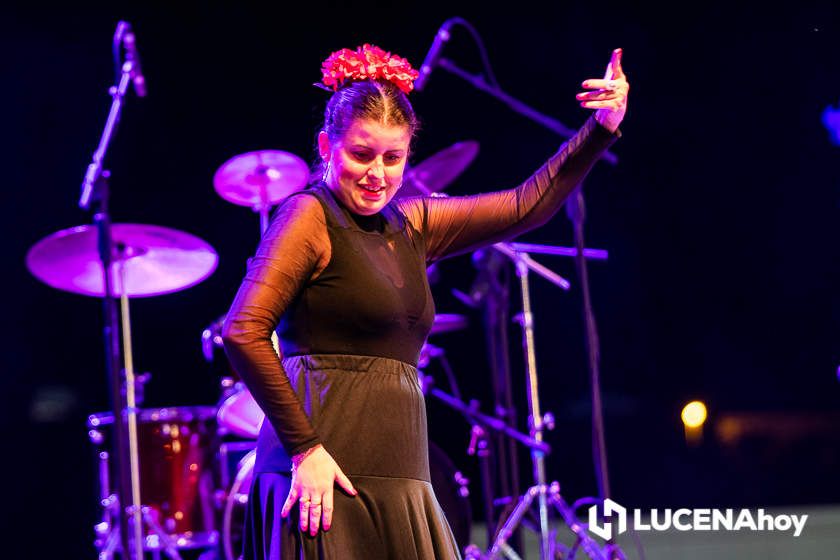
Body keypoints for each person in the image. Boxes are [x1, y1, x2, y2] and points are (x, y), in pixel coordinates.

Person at [222, 43, 629, 560]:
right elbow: (244, 331)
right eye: (360, 154)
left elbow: (527, 204)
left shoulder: (411, 225)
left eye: (393, 158)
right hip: (321, 478)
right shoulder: (308, 215)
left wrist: (602, 129)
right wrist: (305, 450)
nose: (377, 174)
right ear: (326, 146)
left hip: (401, 481)